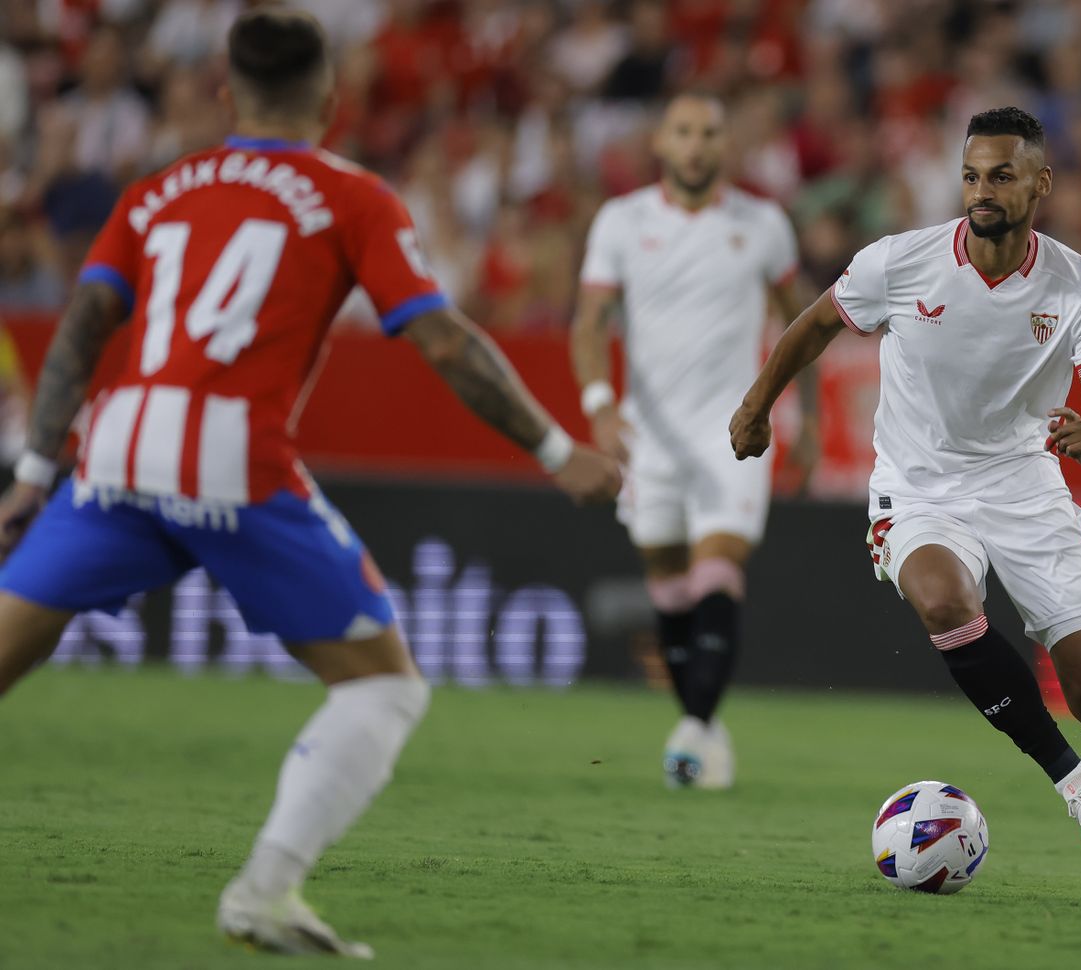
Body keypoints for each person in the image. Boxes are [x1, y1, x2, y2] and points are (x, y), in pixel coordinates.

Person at [0, 8, 620, 957]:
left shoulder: (158, 189)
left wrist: (36, 470)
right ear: (331, 101)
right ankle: (264, 893)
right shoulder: (350, 194)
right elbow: (441, 337)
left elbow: (84, 323)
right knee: (384, 690)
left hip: (116, 449)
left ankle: (268, 895)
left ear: (223, 95)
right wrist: (552, 448)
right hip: (228, 458)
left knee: (10, 648)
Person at [730, 107, 1081, 903]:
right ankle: (1076, 786)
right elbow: (816, 324)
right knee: (941, 599)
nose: (981, 190)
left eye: (1001, 175)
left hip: (1024, 485)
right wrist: (759, 404)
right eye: (971, 175)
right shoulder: (901, 261)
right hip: (920, 483)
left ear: (1041, 183)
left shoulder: (1079, 284)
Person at [571, 92, 818, 790]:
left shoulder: (763, 224)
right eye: (683, 131)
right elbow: (589, 323)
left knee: (716, 574)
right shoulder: (622, 222)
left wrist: (808, 423)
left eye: (709, 132)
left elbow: (799, 324)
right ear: (661, 144)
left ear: (723, 145)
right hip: (647, 439)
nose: (696, 144)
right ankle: (703, 729)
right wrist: (599, 408)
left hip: (731, 434)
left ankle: (693, 731)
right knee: (671, 591)